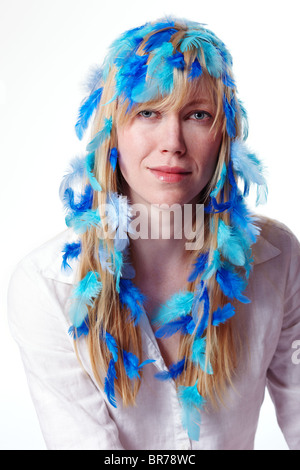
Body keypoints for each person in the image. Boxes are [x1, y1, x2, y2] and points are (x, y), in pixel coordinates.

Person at [8, 16, 300, 450]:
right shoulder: (49, 286)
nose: (173, 142)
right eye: (148, 112)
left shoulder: (276, 257)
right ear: (111, 134)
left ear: (224, 135)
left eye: (198, 114)